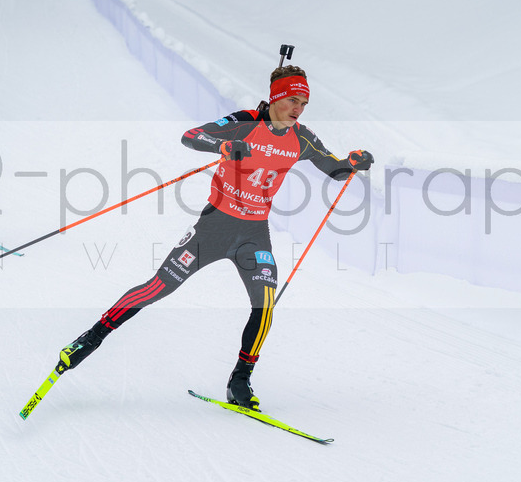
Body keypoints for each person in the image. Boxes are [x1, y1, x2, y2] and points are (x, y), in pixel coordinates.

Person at [50, 62, 374, 410]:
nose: (298, 109)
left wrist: (353, 162)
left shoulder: (302, 138)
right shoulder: (245, 122)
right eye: (293, 100)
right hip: (215, 226)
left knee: (265, 304)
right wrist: (224, 147)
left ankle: (240, 380)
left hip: (254, 233)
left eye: (304, 103)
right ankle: (90, 338)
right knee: (158, 287)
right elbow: (192, 136)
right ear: (276, 98)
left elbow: (334, 168)